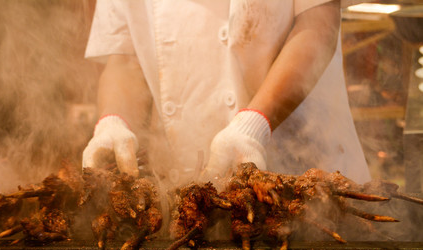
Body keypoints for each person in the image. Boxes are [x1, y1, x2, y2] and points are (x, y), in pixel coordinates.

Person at [82, 0, 371, 187]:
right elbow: (124, 60)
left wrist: (253, 126)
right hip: (195, 189)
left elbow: (318, 27)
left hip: (305, 174)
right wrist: (112, 121)